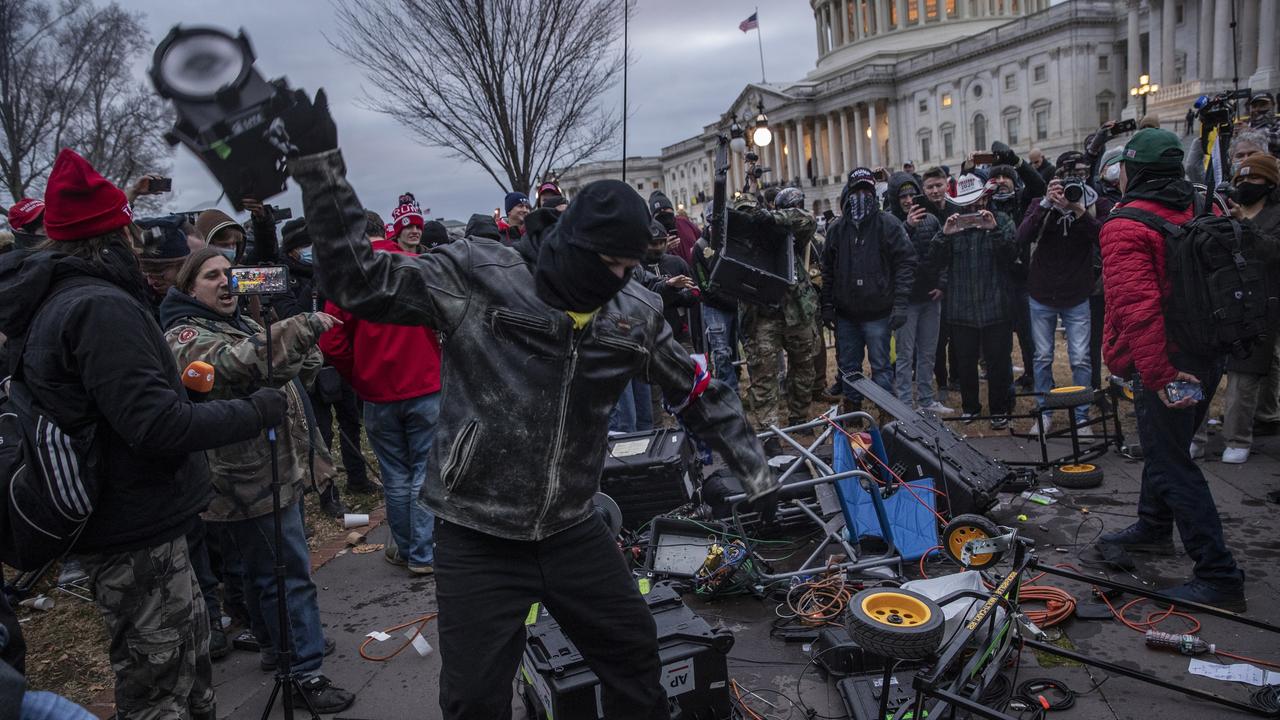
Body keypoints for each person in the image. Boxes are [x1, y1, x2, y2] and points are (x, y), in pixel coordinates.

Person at [277, 89, 771, 719]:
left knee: (635, 658)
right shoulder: (478, 276)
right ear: (571, 246)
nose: (616, 279)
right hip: (477, 531)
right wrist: (320, 167)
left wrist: (754, 471)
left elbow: (699, 390)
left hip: (572, 527)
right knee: (474, 700)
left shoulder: (633, 315)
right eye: (606, 263)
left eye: (628, 266)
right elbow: (357, 281)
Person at [0, 149, 285, 720]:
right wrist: (257, 410)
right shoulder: (97, 307)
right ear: (110, 235)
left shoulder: (70, 298)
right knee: (160, 688)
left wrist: (182, 392)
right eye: (129, 232)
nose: (138, 245)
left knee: (186, 676)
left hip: (138, 518)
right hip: (133, 529)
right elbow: (154, 427)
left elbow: (119, 406)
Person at [161, 248, 355, 712]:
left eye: (232, 274)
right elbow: (231, 366)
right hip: (244, 478)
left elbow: (287, 370)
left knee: (261, 573)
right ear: (190, 288)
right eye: (213, 277)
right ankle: (305, 673)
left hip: (266, 472)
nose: (227, 282)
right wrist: (301, 326)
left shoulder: (239, 322)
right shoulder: (185, 334)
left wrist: (290, 341)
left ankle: (276, 648)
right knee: (287, 577)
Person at [1095, 128, 1246, 610]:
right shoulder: (1207, 204)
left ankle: (1218, 574)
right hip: (1209, 349)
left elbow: (1137, 309)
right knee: (1168, 447)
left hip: (1170, 361)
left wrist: (1157, 375)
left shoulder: (1126, 225)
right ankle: (1153, 527)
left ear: (1133, 172)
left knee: (1170, 461)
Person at [319, 212, 444, 575]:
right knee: (422, 471)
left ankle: (408, 549)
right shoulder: (415, 265)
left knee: (397, 475)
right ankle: (421, 553)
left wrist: (359, 374)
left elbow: (333, 341)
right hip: (424, 381)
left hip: (377, 390)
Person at [275, 216, 374, 503]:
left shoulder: (333, 274)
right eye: (306, 244)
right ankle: (326, 493)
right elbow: (291, 317)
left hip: (338, 361)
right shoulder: (285, 279)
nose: (313, 249)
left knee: (351, 422)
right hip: (308, 366)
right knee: (320, 431)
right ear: (293, 249)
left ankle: (358, 479)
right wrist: (314, 286)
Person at [1197, 154, 1280, 464]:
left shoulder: (1274, 215)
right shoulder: (1222, 211)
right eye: (1240, 180)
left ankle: (1238, 438)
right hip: (1220, 301)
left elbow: (1273, 252)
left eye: (1253, 179)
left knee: (1244, 378)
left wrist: (1245, 224)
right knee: (1205, 372)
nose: (1245, 185)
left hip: (1260, 305)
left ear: (1270, 183)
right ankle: (1196, 436)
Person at [1018, 152, 1102, 436]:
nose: (1072, 183)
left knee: (1080, 358)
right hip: (1041, 292)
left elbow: (1102, 237)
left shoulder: (1092, 203)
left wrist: (1077, 209)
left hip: (1077, 292)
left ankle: (1081, 416)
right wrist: (1046, 204)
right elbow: (1022, 236)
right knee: (1042, 357)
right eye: (1067, 177)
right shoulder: (1039, 203)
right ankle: (1044, 413)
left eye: (1080, 174)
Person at [822, 168, 917, 406]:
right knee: (849, 369)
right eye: (857, 191)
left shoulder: (889, 224)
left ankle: (886, 414)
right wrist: (826, 304)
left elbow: (906, 263)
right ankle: (853, 414)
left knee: (882, 367)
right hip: (846, 314)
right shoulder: (836, 229)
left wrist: (900, 304)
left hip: (879, 312)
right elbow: (827, 270)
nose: (861, 196)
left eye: (866, 190)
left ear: (874, 194)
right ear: (849, 193)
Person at [736, 187, 821, 434]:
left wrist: (772, 220)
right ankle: (769, 431)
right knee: (763, 376)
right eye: (744, 215)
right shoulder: (735, 243)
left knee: (803, 368)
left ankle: (800, 420)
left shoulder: (783, 227)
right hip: (761, 317)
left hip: (796, 311)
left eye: (753, 213)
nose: (749, 219)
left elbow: (807, 220)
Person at [939, 174, 1018, 428]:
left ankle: (1000, 409)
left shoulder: (1002, 220)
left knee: (999, 363)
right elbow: (934, 263)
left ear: (985, 197)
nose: (972, 208)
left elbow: (1012, 257)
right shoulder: (952, 225)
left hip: (996, 306)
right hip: (961, 308)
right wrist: (944, 235)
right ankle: (970, 407)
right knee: (965, 363)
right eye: (967, 204)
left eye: (976, 201)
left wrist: (993, 230)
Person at [886, 172, 950, 413]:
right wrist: (908, 227)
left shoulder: (932, 220)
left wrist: (942, 284)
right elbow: (891, 257)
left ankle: (926, 399)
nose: (908, 199)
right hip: (905, 300)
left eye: (913, 194)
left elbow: (942, 255)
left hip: (930, 296)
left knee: (928, 351)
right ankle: (904, 402)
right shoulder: (891, 222)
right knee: (904, 355)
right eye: (903, 196)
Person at [1246, 92, 1280, 157]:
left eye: (1262, 105)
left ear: (1273, 105)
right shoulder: (1245, 124)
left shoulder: (1277, 122)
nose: (1257, 109)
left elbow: (1277, 139)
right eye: (1254, 106)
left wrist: (1249, 133)